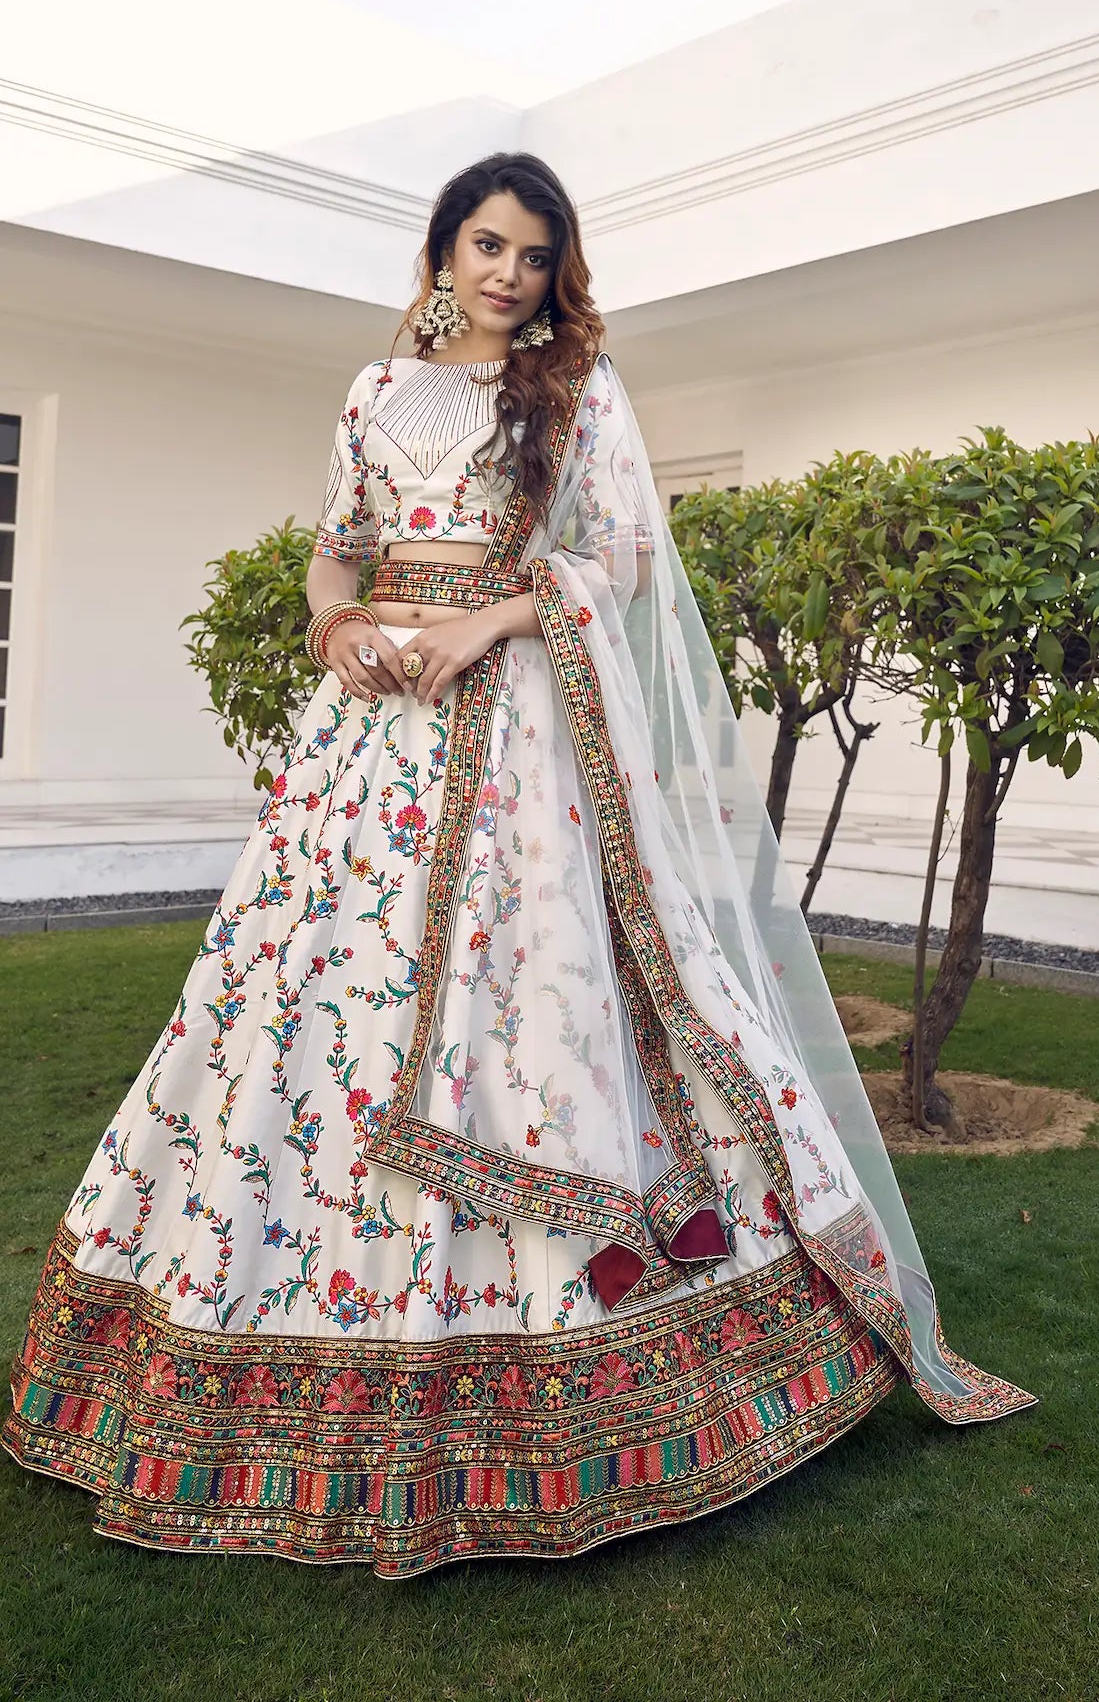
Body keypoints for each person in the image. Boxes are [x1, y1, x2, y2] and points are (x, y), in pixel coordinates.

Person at [3, 152, 1033, 1575]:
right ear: (443, 249)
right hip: (374, 732)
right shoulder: (374, 390)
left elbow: (621, 562)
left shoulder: (577, 390)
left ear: (557, 271)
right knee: (314, 993)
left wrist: (493, 619)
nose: (507, 273)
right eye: (487, 244)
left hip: (521, 731)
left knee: (535, 988)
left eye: (534, 255)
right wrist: (337, 627)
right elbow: (335, 551)